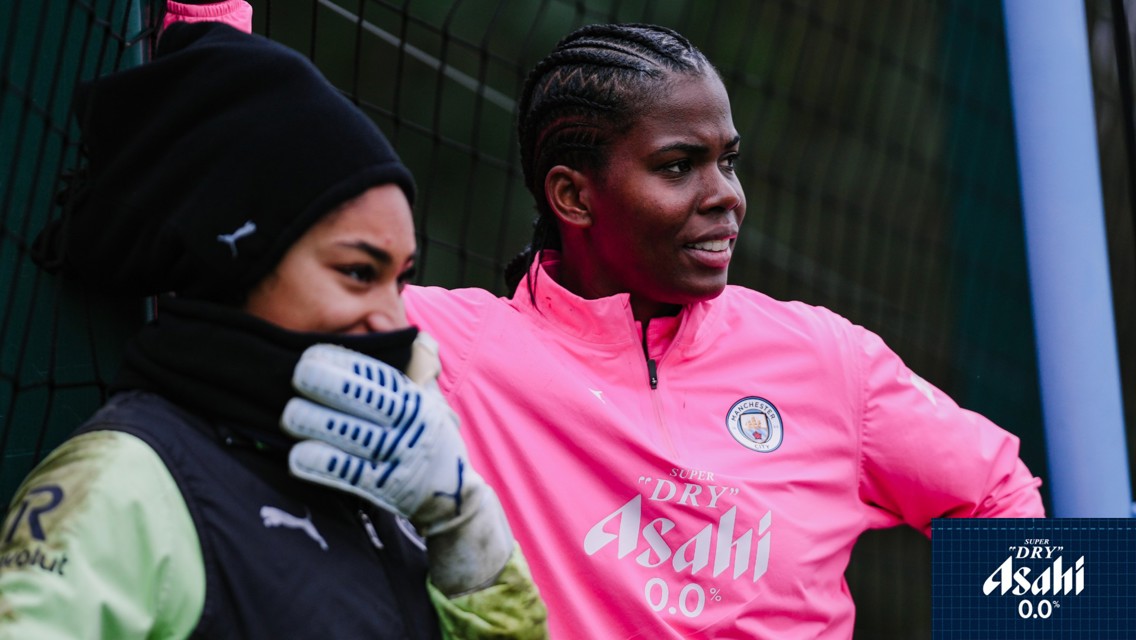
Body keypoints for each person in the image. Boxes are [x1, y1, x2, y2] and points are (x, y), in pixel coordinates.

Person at [162, 5, 1047, 637]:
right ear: (573, 194)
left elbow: (998, 491)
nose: (726, 197)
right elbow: (248, 248)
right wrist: (207, 24)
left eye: (728, 161)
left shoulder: (826, 357)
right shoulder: (449, 349)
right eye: (679, 165)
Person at [0, 21, 547, 639]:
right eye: (357, 272)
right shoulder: (121, 486)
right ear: (235, 256)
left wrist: (463, 526)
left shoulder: (384, 486)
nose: (394, 322)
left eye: (399, 280)